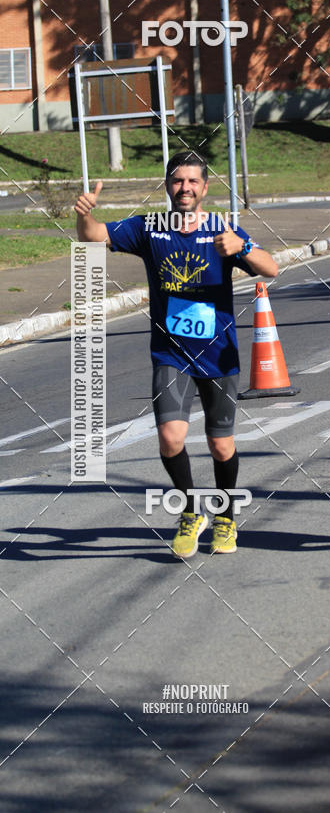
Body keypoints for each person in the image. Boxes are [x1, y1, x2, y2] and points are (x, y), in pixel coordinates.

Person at [75, 151, 278, 558]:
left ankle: (224, 518)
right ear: (168, 185)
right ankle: (190, 512)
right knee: (170, 438)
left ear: (204, 188)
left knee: (221, 446)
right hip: (171, 355)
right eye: (177, 181)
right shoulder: (150, 228)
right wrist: (84, 214)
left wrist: (243, 247)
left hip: (218, 356)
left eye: (192, 182)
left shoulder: (222, 229)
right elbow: (93, 236)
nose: (184, 188)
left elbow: (270, 267)